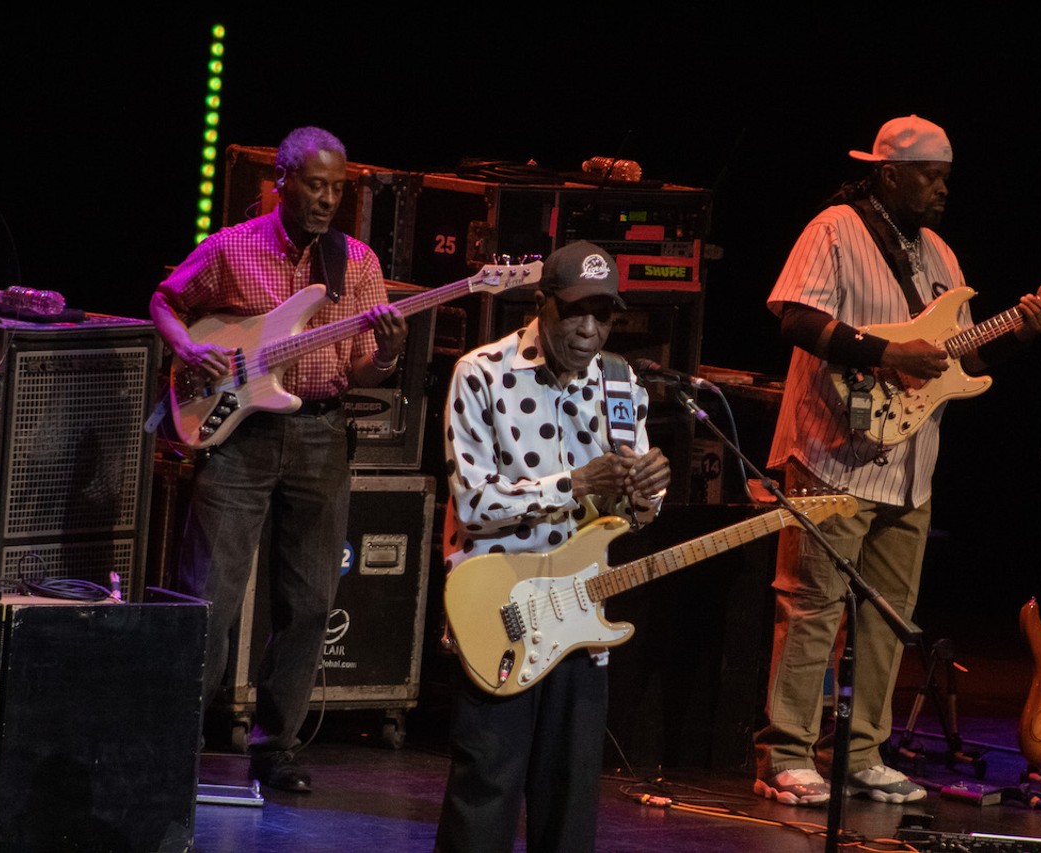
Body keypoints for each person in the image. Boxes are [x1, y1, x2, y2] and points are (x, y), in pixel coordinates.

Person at [752, 115, 1041, 806]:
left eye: (947, 178)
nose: (942, 190)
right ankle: (785, 754)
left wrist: (1019, 335)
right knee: (811, 607)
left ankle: (859, 751)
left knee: (889, 614)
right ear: (889, 174)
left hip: (908, 466)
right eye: (929, 177)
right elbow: (795, 317)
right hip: (832, 453)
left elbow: (958, 362)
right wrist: (888, 352)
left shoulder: (941, 258)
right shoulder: (833, 229)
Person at [149, 126, 407, 793]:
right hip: (238, 435)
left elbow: (364, 369)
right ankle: (171, 741)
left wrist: (387, 351)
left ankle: (277, 746)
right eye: (316, 185)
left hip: (320, 433)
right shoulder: (233, 247)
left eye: (337, 188)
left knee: (311, 599)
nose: (327, 200)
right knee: (208, 594)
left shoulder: (357, 263)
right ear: (282, 180)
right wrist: (185, 347)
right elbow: (165, 299)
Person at [434, 240, 672, 852]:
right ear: (542, 306)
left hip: (578, 616)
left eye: (604, 316)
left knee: (569, 804)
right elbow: (474, 505)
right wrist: (572, 484)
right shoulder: (481, 373)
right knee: (486, 792)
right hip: (497, 609)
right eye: (575, 313)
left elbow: (625, 512)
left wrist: (645, 497)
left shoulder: (621, 384)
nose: (590, 331)